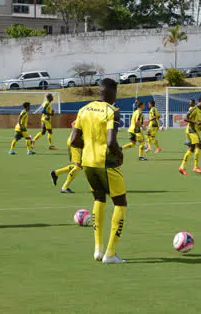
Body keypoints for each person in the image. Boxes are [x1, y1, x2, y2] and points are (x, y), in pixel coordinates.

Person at [70, 78, 127, 264]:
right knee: (120, 203)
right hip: (106, 163)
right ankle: (110, 253)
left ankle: (98, 249)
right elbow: (111, 142)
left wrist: (89, 146)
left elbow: (73, 140)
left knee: (99, 199)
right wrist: (120, 155)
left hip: (87, 162)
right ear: (112, 92)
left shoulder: (83, 110)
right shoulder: (112, 111)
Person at [179, 96, 201, 175]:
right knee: (199, 146)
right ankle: (196, 167)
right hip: (191, 131)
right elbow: (185, 118)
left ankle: (182, 167)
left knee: (191, 149)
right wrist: (195, 122)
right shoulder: (194, 109)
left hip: (196, 131)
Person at [51, 121, 82, 193]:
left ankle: (56, 173)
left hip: (74, 141)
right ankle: (65, 187)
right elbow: (73, 124)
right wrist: (77, 135)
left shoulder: (84, 114)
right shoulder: (87, 115)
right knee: (78, 166)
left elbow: (73, 123)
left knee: (80, 166)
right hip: (76, 143)